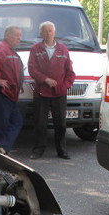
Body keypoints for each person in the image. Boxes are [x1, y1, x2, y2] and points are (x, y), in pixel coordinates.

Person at [28, 21, 75, 160]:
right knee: (40, 123)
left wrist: (65, 85)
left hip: (59, 92)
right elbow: (32, 69)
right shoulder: (35, 49)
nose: (48, 33)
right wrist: (45, 79)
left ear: (54, 32)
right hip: (41, 91)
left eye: (50, 31)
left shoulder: (63, 49)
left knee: (60, 124)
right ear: (41, 33)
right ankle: (38, 150)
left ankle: (62, 150)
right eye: (45, 31)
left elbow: (70, 72)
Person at [0, 25, 24, 155]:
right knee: (3, 123)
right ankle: (0, 150)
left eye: (20, 36)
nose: (19, 38)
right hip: (2, 92)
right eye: (16, 35)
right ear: (8, 35)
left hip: (10, 93)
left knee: (15, 121)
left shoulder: (10, 50)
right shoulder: (3, 49)